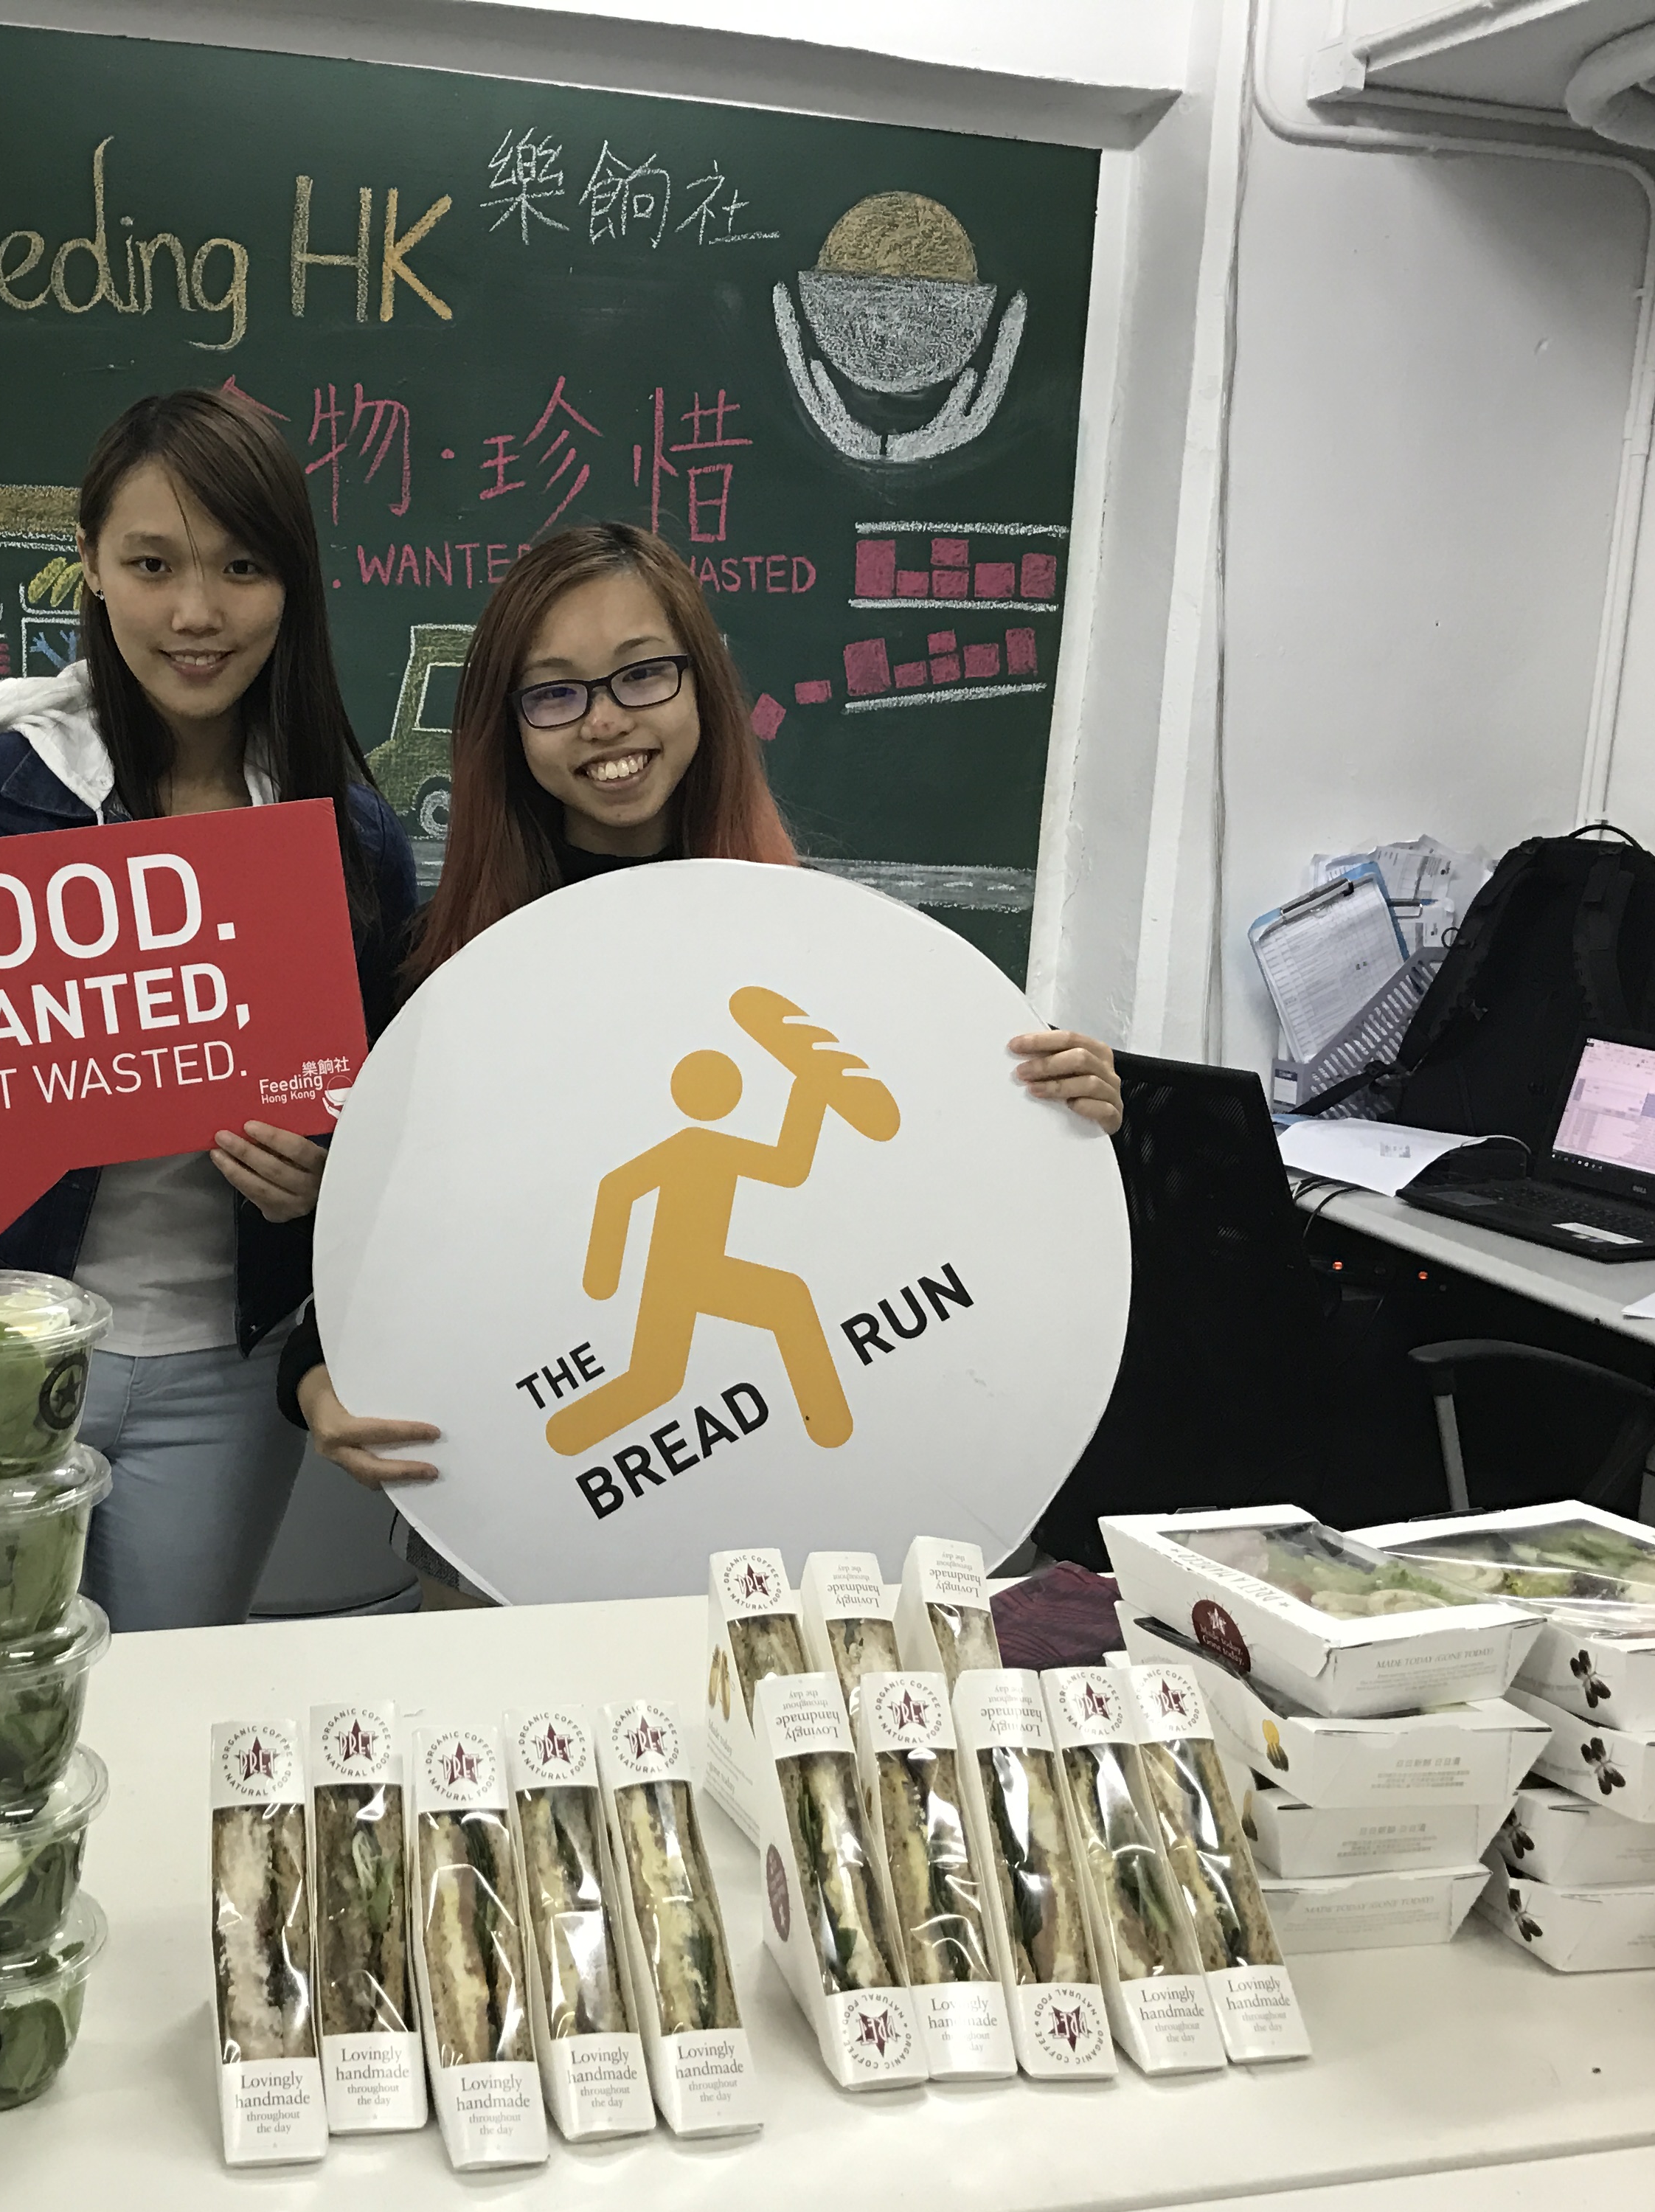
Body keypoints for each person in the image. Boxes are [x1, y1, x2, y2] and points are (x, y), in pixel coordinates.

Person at [282, 518, 1123, 1516]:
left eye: (644, 674)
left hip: (792, 1523)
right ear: (506, 725)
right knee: (665, 1367)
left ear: (701, 688)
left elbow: (911, 1181)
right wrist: (313, 1371)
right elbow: (386, 1223)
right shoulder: (442, 976)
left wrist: (1056, 1116)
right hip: (515, 1516)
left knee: (751, 1326)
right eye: (555, 693)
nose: (606, 721)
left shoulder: (830, 955)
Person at [0, 388, 419, 1631]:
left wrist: (328, 1176)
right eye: (153, 565)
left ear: (291, 585)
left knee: (162, 1696)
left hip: (224, 1369)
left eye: (242, 568)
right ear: (91, 565)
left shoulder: (351, 840)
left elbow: (378, 1116)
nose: (196, 614)